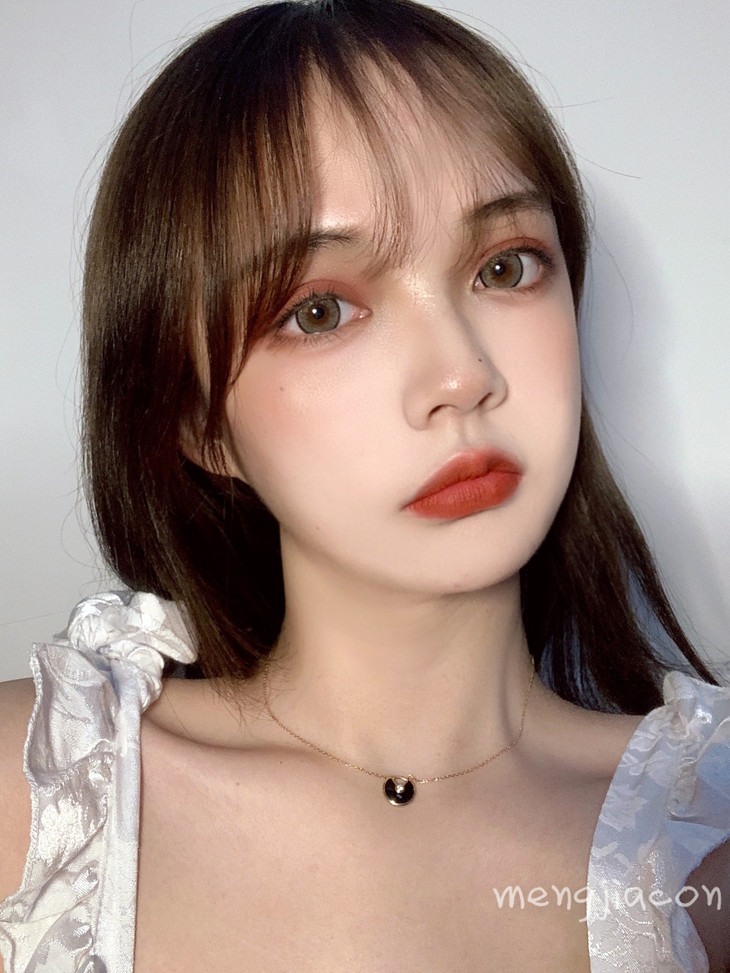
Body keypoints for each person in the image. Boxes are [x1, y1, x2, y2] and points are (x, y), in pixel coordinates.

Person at [0, 0, 728, 970]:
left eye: (505, 266)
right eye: (319, 311)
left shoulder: (707, 845)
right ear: (198, 420)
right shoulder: (32, 796)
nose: (462, 375)